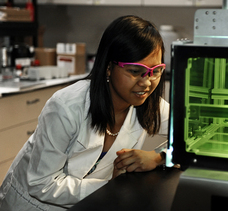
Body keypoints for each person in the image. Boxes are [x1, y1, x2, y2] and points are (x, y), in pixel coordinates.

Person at [0, 15, 169, 210]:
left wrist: (159, 157)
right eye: (134, 71)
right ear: (108, 67)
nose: (146, 82)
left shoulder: (150, 105)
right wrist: (111, 186)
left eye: (155, 71)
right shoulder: (67, 106)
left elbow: (195, 135)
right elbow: (41, 184)